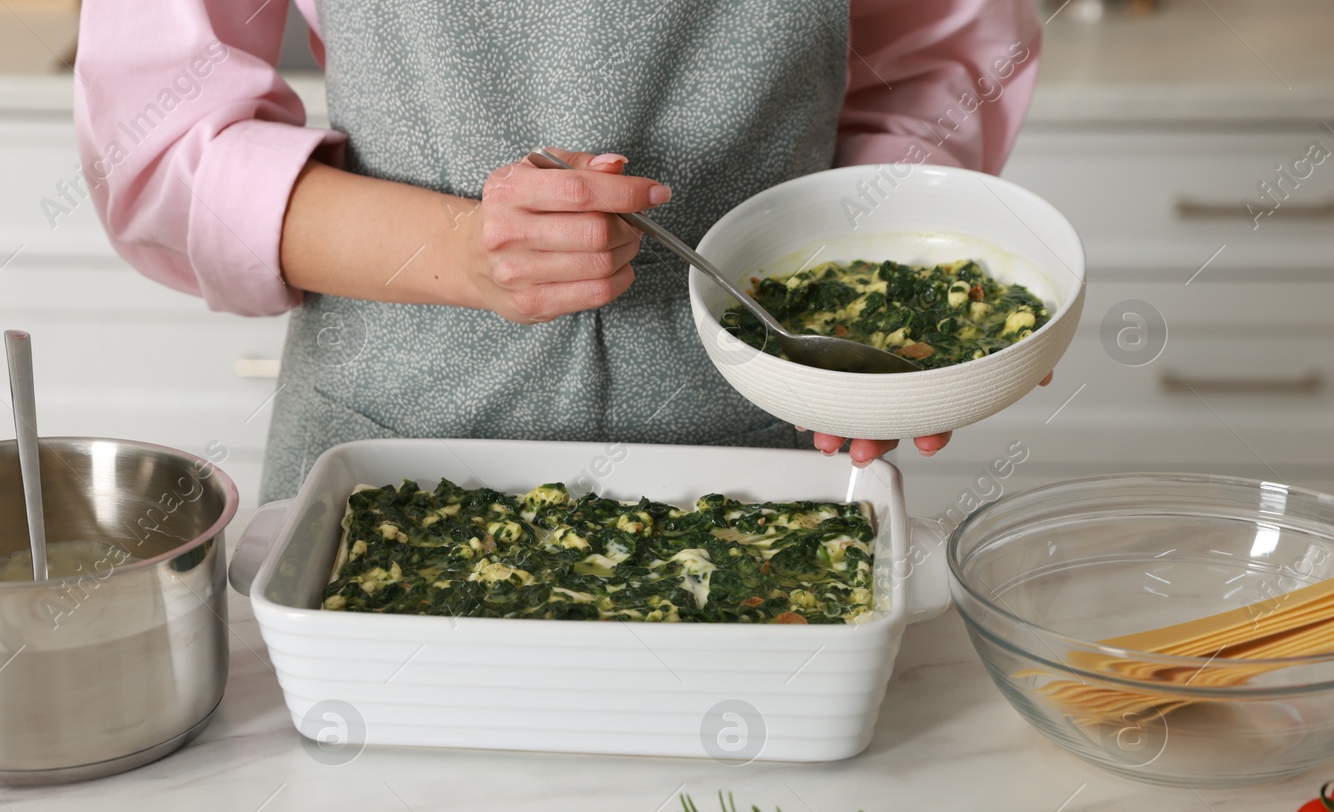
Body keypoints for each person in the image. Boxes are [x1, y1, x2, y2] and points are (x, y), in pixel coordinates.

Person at [75, 0, 1045, 501]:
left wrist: (864, 313)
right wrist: (458, 251)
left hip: (767, 450)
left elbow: (937, 63)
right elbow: (158, 146)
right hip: (383, 464)